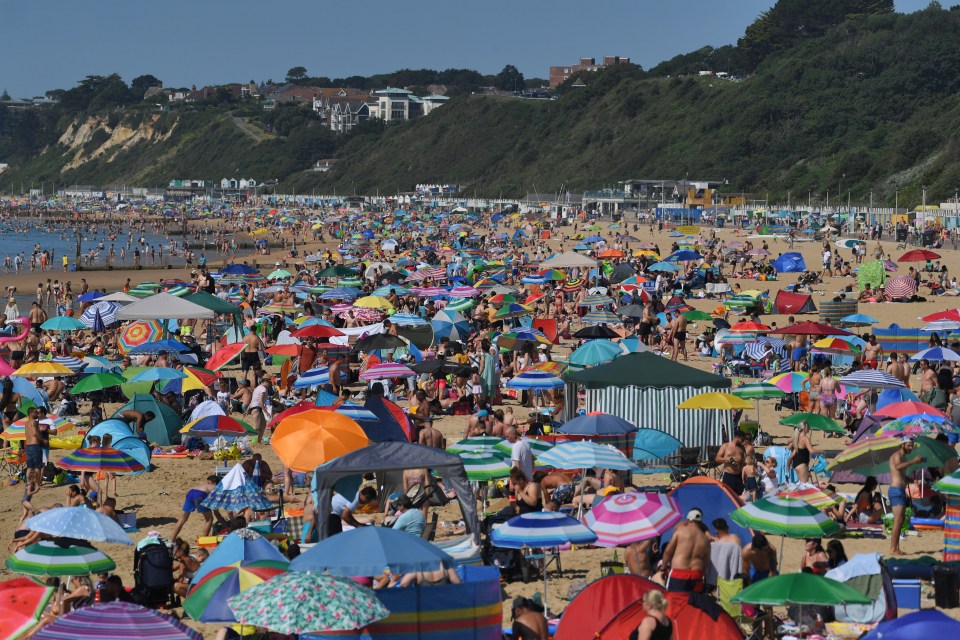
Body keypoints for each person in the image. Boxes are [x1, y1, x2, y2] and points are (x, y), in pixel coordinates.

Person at [661, 508, 710, 593]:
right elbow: (705, 562)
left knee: (674, 601)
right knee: (692, 604)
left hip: (679, 573)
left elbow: (668, 551)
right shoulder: (705, 539)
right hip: (696, 574)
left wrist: (663, 567)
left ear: (688, 519)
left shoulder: (680, 531)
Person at [890, 437, 925, 554]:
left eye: (912, 445)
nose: (911, 448)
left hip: (899, 490)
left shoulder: (903, 457)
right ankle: (893, 549)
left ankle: (896, 548)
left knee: (901, 519)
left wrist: (912, 480)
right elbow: (897, 467)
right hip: (895, 490)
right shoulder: (897, 455)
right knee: (898, 520)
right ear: (902, 444)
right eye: (909, 445)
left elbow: (901, 476)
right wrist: (913, 461)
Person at [170, 476, 221, 540]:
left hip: (191, 492)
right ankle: (203, 540)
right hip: (201, 494)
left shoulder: (205, 486)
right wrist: (225, 525)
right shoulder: (216, 489)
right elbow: (216, 513)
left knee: (183, 518)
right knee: (209, 519)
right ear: (216, 483)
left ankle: (171, 540)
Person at [246, 376, 272, 443]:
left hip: (255, 407)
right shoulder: (263, 389)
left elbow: (253, 400)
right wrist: (266, 412)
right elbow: (260, 402)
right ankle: (249, 440)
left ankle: (258, 441)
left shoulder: (258, 388)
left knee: (263, 425)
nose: (270, 385)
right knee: (256, 427)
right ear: (265, 382)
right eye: (269, 383)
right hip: (257, 407)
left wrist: (247, 410)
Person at [23, 407, 43, 487]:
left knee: (29, 467)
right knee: (38, 466)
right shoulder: (34, 422)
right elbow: (35, 433)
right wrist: (43, 440)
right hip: (35, 445)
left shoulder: (26, 423)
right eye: (36, 412)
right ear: (31, 414)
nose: (37, 414)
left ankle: (28, 483)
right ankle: (37, 483)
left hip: (28, 446)